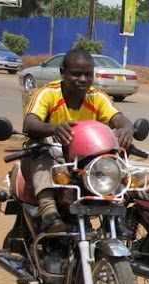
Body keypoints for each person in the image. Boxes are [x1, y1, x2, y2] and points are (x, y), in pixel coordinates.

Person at [22, 48, 134, 234]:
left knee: (114, 154)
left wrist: (126, 130)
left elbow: (121, 119)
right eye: (76, 74)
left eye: (88, 74)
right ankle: (48, 210)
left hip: (82, 167)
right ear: (62, 73)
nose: (83, 79)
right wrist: (54, 128)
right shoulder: (48, 93)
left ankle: (115, 212)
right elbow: (29, 123)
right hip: (48, 161)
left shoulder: (97, 97)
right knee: (40, 147)